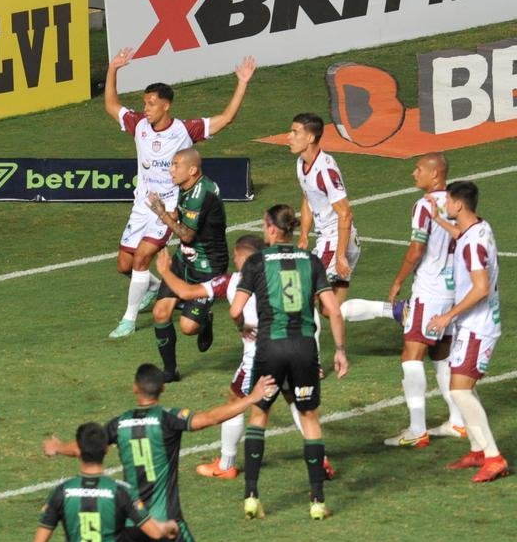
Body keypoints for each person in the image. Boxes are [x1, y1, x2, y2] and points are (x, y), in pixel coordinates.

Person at [43, 365, 274, 542]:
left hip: (132, 526)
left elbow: (87, 447)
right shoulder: (168, 419)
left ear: (135, 388)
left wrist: (58, 447)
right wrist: (252, 399)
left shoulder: (120, 423)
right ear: (162, 388)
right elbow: (210, 418)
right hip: (167, 522)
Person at [104, 47, 255, 339]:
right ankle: (151, 287)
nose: (145, 107)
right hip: (141, 206)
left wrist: (243, 83)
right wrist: (113, 68)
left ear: (165, 106)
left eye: (150, 103)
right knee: (124, 264)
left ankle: (129, 319)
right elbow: (111, 104)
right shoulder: (139, 126)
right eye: (144, 103)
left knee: (141, 258)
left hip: (168, 208)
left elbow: (225, 119)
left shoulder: (186, 130)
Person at [155, 241, 335, 482]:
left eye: (236, 257)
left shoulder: (233, 281)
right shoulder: (283, 277)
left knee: (236, 401)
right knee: (296, 401)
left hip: (260, 357)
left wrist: (166, 271)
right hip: (295, 350)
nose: (234, 261)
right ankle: (318, 456)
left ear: (244, 258)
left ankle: (226, 464)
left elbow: (187, 293)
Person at [229, 204, 348, 520]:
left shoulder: (256, 262)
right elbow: (334, 311)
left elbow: (234, 310)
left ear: (270, 227)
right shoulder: (311, 261)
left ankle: (252, 496)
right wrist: (339, 350)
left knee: (259, 413)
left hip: (271, 347)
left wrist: (242, 326)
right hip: (304, 348)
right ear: (292, 229)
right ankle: (317, 501)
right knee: (309, 417)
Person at [341, 152, 466, 445]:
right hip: (453, 290)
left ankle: (417, 430)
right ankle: (458, 422)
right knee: (441, 353)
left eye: (418, 169)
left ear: (435, 174)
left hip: (430, 290)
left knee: (411, 356)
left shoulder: (425, 206)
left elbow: (416, 250)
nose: (413, 173)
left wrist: (398, 280)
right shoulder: (459, 203)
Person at [34, 422, 180, 542]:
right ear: (106, 449)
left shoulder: (62, 492)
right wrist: (169, 526)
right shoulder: (120, 491)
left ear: (78, 450)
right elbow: (155, 533)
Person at [425, 181, 508, 482]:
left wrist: (448, 315)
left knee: (459, 390)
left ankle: (493, 456)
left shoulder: (473, 243)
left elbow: (481, 288)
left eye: (448, 201)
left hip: (477, 326)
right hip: (472, 325)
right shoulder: (477, 227)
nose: (446, 205)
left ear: (459, 205)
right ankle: (477, 449)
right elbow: (461, 234)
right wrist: (437, 219)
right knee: (463, 388)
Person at [145, 148, 229, 380]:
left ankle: (204, 321)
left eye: (176, 165)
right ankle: (170, 371)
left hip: (208, 267)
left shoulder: (202, 193)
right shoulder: (186, 187)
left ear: (192, 170)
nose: (171, 169)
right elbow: (180, 221)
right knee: (160, 312)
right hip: (184, 259)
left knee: (188, 328)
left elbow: (186, 235)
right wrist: (165, 211)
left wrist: (161, 214)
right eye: (171, 164)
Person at [288, 113, 360, 310]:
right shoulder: (301, 163)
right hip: (335, 239)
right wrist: (303, 235)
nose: (289, 136)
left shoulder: (324, 172)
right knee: (331, 310)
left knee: (302, 294)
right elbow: (307, 197)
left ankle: (303, 341)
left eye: (295, 132)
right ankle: (393, 311)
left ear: (310, 138)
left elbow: (345, 213)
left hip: (335, 239)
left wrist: (340, 255)